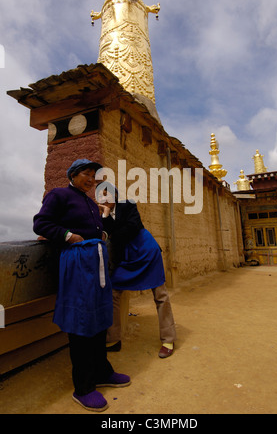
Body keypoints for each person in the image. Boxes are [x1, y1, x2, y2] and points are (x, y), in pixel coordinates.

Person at [33, 159, 131, 412]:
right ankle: (84, 387)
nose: (91, 180)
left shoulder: (88, 201)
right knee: (82, 322)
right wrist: (68, 236)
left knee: (99, 317)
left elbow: (96, 229)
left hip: (95, 264)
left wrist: (103, 235)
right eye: (86, 174)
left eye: (94, 176)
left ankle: (101, 371)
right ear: (73, 175)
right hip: (77, 264)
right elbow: (41, 223)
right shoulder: (59, 195)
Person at [96, 182, 176, 358]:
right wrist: (106, 215)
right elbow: (106, 234)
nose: (104, 198)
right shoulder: (104, 215)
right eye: (100, 196)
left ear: (115, 195)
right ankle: (114, 338)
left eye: (106, 194)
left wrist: (109, 226)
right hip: (127, 257)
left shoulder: (129, 205)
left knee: (160, 294)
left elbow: (131, 229)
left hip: (146, 251)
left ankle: (168, 339)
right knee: (114, 292)